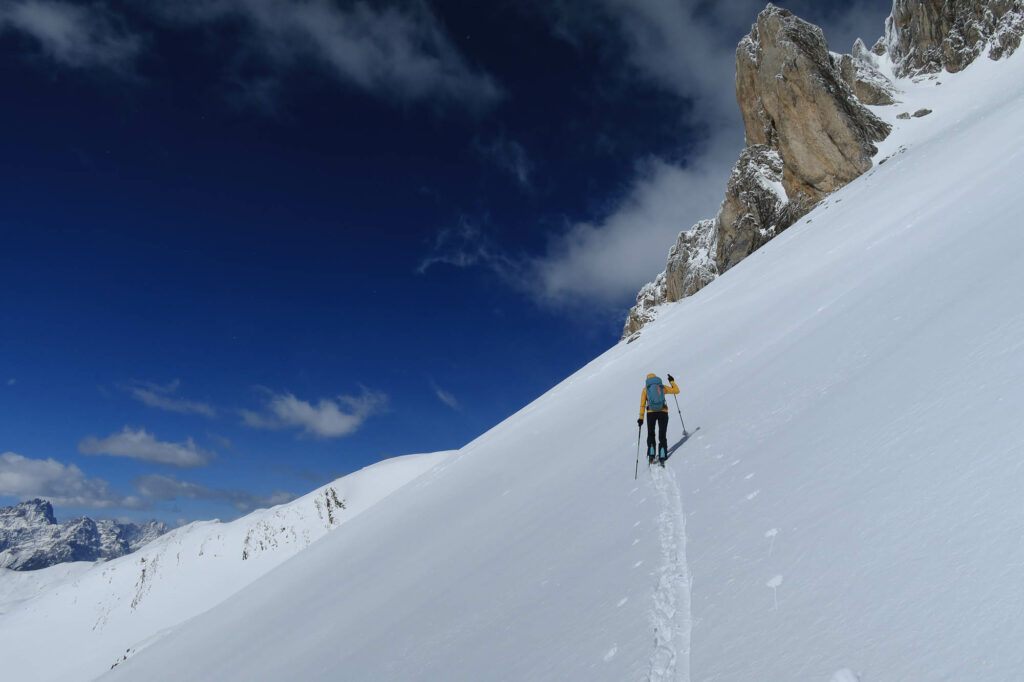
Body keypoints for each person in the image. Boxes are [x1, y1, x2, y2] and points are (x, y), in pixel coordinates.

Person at [638, 373, 680, 465]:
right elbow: (676, 391)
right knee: (662, 434)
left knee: (651, 433)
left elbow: (642, 405)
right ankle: (662, 454)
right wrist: (672, 382)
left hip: (651, 413)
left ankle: (651, 453)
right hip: (663, 412)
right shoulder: (661, 387)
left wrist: (641, 418)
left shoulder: (645, 389)